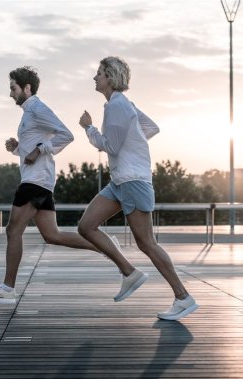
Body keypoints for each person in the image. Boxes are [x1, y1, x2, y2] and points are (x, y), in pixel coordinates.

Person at [0, 66, 126, 304]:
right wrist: (17, 147)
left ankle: (7, 288)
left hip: (35, 182)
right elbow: (34, 148)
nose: (10, 94)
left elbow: (66, 134)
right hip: (39, 181)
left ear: (27, 88)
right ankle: (106, 245)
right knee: (52, 235)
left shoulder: (37, 108)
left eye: (13, 88)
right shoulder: (28, 112)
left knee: (12, 231)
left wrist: (39, 149)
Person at [77, 57, 199, 321]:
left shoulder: (117, 106)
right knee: (86, 226)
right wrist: (134, 143)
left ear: (110, 77)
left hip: (132, 181)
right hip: (120, 181)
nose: (94, 78)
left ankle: (183, 297)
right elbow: (150, 128)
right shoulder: (123, 105)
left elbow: (110, 146)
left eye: (98, 73)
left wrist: (88, 127)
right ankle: (129, 272)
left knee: (146, 243)